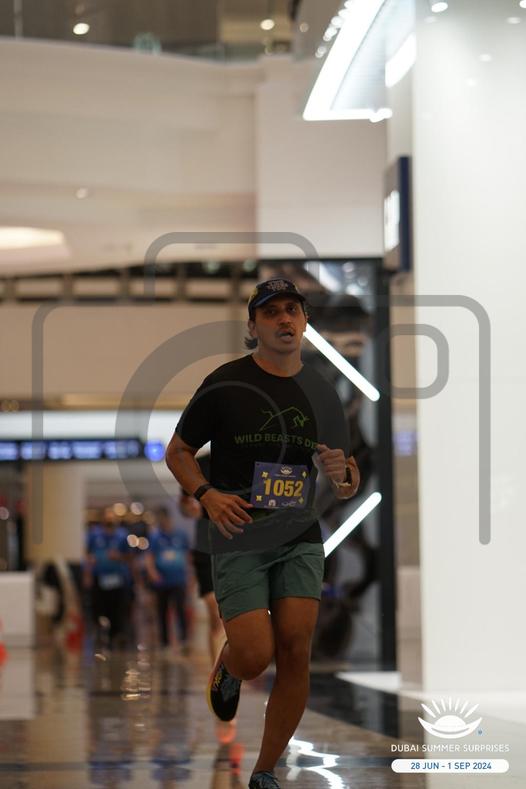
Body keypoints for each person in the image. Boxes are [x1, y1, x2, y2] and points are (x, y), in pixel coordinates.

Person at [165, 278, 360, 789]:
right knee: (255, 655)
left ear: (305, 322)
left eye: (292, 309)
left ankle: (265, 770)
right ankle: (230, 666)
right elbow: (178, 452)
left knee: (295, 649)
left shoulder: (321, 392)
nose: (284, 319)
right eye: (271, 312)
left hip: (299, 536)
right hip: (240, 533)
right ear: (253, 326)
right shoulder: (225, 383)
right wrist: (207, 494)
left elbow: (345, 480)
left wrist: (342, 474)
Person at [145, 505, 191, 655]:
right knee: (162, 612)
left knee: (180, 610)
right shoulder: (155, 537)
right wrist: (153, 573)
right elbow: (149, 558)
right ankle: (164, 642)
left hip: (178, 580)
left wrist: (190, 577)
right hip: (162, 581)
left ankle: (184, 639)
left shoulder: (180, 535)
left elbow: (188, 557)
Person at [84, 519, 131, 649]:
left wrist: (118, 556)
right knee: (99, 607)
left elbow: (129, 556)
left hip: (117, 579)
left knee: (116, 609)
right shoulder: (94, 536)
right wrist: (88, 572)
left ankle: (116, 635)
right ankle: (100, 633)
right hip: (100, 578)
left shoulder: (122, 536)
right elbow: (88, 555)